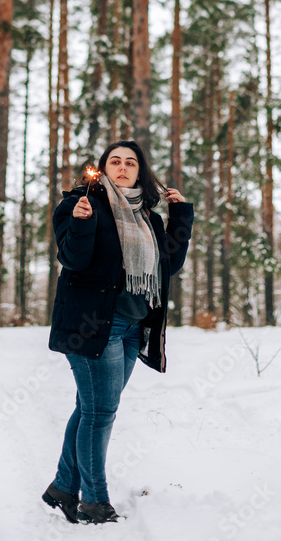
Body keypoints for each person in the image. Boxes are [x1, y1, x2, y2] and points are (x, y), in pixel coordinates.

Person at [42, 140, 194, 525]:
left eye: (131, 162)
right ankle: (93, 502)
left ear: (140, 171)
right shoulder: (81, 203)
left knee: (90, 409)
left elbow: (168, 267)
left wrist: (181, 217)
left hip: (131, 328)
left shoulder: (149, 218)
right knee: (100, 413)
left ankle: (63, 487)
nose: (123, 167)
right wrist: (81, 223)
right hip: (92, 328)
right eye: (115, 161)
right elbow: (72, 260)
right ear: (103, 168)